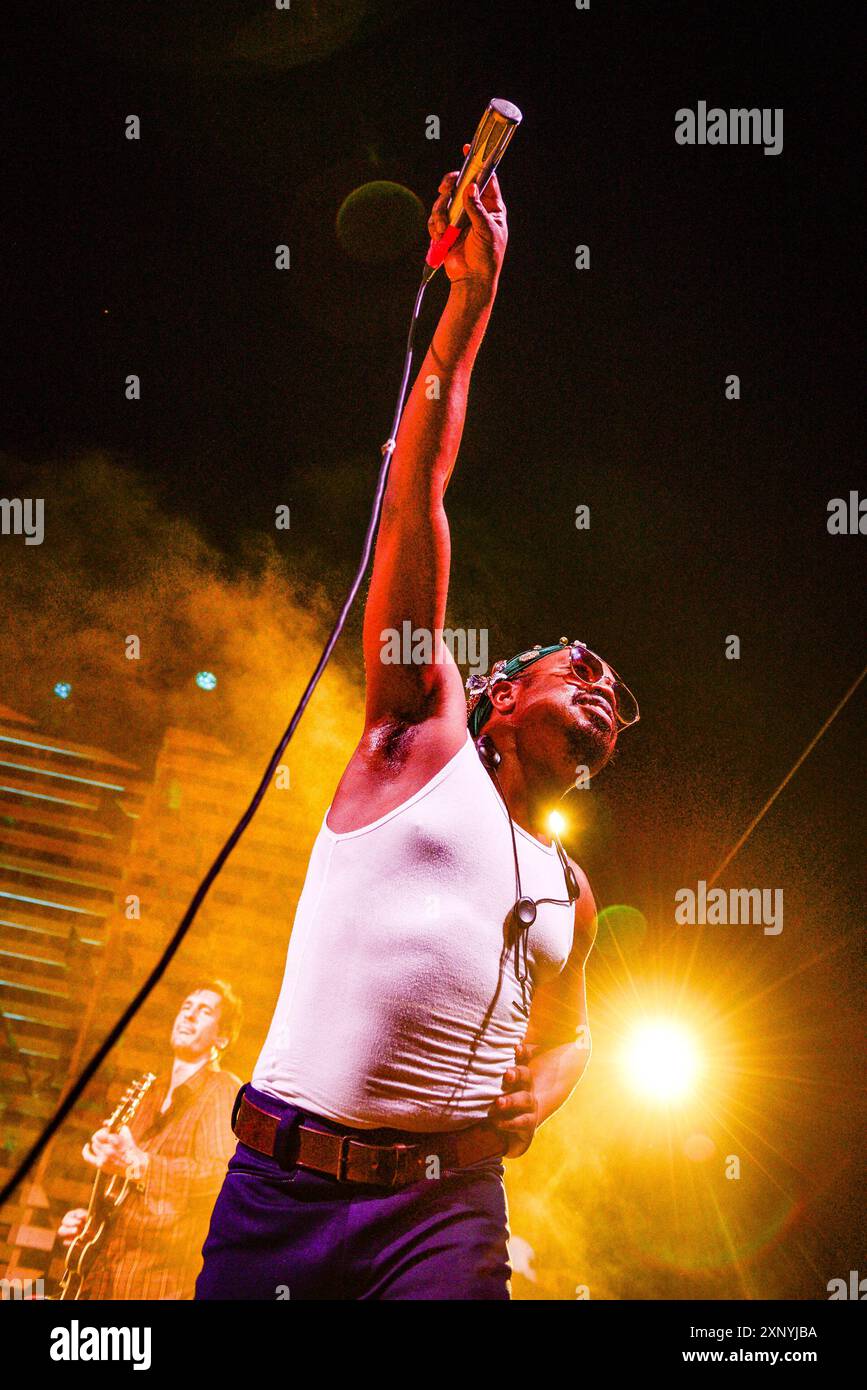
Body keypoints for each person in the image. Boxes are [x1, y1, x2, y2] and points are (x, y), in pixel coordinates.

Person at [197, 153, 638, 1301]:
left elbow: (576, 1027)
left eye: (620, 698)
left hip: (444, 1211)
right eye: (578, 666)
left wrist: (549, 1087)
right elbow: (418, 487)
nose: (603, 689)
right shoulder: (418, 734)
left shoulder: (569, 890)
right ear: (497, 690)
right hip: (282, 1190)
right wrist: (469, 305)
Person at [58, 981, 242, 1299]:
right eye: (186, 1007)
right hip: (101, 1275)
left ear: (221, 1037)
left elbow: (220, 1176)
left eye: (204, 1011)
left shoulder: (222, 1090)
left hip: (158, 1283)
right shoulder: (148, 1091)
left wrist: (143, 1165)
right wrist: (90, 1223)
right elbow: (123, 1189)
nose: (189, 1016)